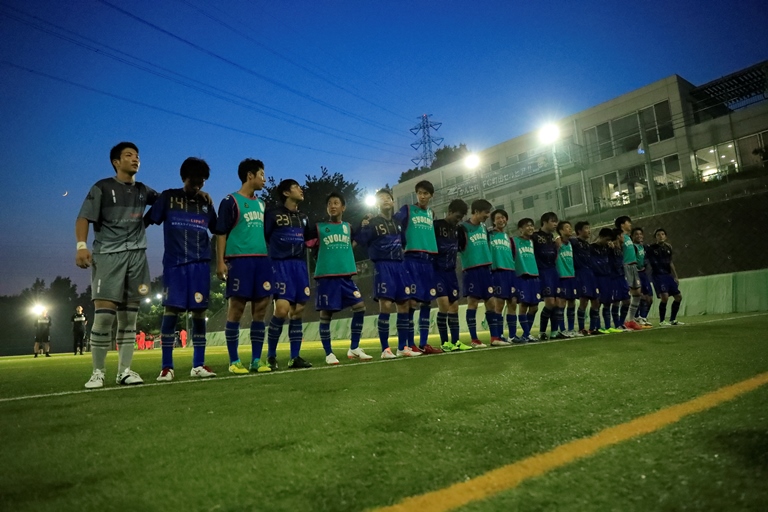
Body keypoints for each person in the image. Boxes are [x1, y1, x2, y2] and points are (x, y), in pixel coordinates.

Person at [77, 142, 159, 388]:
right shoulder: (102, 187)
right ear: (116, 162)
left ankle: (124, 371)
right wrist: (81, 246)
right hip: (108, 255)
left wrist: (195, 191)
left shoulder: (144, 190)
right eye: (129, 155)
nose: (135, 159)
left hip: (137, 257)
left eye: (137, 156)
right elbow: (83, 217)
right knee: (104, 316)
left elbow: (168, 201)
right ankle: (98, 372)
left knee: (129, 319)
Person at [145, 156, 219, 381]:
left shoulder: (205, 203)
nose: (199, 184)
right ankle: (167, 367)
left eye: (203, 180)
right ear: (184, 177)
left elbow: (218, 229)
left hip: (200, 264)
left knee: (199, 312)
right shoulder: (169, 197)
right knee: (171, 311)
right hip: (175, 264)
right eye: (195, 179)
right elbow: (147, 221)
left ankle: (198, 364)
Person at [216, 159, 273, 374]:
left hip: (261, 261)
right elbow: (221, 232)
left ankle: (256, 360)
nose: (264, 179)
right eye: (261, 174)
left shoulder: (262, 204)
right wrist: (221, 262)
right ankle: (234, 361)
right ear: (250, 175)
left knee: (261, 310)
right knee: (237, 309)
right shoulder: (230, 201)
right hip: (239, 261)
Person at [307, 192, 367, 365]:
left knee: (360, 307)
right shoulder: (319, 228)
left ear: (343, 207)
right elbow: (306, 241)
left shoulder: (348, 227)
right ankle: (329, 353)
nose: (332, 206)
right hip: (327, 277)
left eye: (336, 203)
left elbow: (355, 241)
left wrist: (365, 225)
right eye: (329, 204)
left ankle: (354, 347)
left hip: (346, 277)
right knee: (326, 314)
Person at [356, 188, 413, 359]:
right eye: (381, 198)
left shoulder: (397, 223)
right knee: (386, 305)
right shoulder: (372, 223)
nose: (385, 200)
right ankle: (385, 349)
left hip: (399, 265)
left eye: (388, 197)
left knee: (404, 304)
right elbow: (360, 240)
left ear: (393, 202)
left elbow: (403, 242)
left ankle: (402, 347)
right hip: (383, 266)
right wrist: (362, 225)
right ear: (377, 204)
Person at [263, 179, 313, 369]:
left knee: (298, 311)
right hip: (280, 264)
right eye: (296, 187)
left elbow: (308, 238)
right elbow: (265, 236)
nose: (301, 189)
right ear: (286, 193)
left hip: (299, 266)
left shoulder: (304, 217)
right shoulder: (273, 214)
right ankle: (271, 356)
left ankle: (294, 357)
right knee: (282, 310)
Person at [394, 180, 442, 355]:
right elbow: (393, 223)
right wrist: (401, 242)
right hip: (411, 259)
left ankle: (424, 343)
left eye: (425, 193)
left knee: (427, 302)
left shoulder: (431, 213)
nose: (422, 196)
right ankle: (409, 343)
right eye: (420, 193)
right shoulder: (407, 209)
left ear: (431, 195)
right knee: (411, 302)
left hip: (428, 261)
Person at [459, 199, 506, 347]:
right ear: (476, 211)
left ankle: (495, 337)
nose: (488, 215)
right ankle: (474, 339)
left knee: (491, 303)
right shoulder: (463, 228)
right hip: (471, 269)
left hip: (486, 269)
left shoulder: (484, 228)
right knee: (472, 302)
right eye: (486, 212)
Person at [433, 200, 472, 351]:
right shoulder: (436, 226)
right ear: (449, 211)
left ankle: (456, 342)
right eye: (457, 216)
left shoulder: (458, 230)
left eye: (461, 218)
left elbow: (462, 247)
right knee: (443, 305)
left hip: (451, 272)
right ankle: (445, 343)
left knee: (454, 307)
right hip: (437, 271)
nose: (458, 220)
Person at [489, 209, 519, 344]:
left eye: (503, 218)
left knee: (513, 303)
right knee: (499, 304)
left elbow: (513, 255)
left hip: (510, 272)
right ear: (493, 221)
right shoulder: (490, 235)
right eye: (498, 218)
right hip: (498, 271)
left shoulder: (509, 238)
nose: (501, 220)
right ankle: (499, 335)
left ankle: (512, 335)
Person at [647, 228, 684, 325]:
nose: (661, 236)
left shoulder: (668, 248)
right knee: (665, 297)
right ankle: (662, 321)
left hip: (668, 275)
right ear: (655, 237)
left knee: (678, 297)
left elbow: (670, 262)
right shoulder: (651, 248)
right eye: (658, 235)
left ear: (666, 236)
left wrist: (675, 276)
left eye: (662, 234)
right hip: (658, 275)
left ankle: (672, 319)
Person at [572, 222, 602, 336]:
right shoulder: (574, 242)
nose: (589, 230)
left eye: (589, 228)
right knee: (584, 301)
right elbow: (563, 240)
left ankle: (593, 328)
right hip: (581, 273)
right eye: (586, 228)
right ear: (579, 231)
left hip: (591, 274)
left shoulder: (588, 245)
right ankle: (581, 328)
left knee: (596, 301)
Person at [533, 212, 559, 340]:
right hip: (542, 271)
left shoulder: (552, 238)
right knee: (550, 302)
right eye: (553, 221)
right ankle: (542, 331)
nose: (555, 224)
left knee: (556, 303)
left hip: (553, 270)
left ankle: (554, 331)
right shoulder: (535, 237)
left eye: (556, 221)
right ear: (544, 222)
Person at [513, 218, 540, 342]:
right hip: (522, 276)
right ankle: (527, 333)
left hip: (534, 276)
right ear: (520, 229)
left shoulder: (533, 242)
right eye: (527, 226)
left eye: (531, 225)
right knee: (523, 305)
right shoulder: (514, 241)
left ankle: (526, 334)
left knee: (534, 307)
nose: (530, 228)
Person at [614, 216, 643, 330]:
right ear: (622, 225)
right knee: (626, 295)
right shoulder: (619, 237)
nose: (630, 224)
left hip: (633, 266)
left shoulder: (628, 237)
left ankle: (630, 319)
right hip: (626, 267)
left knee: (638, 293)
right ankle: (621, 321)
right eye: (628, 222)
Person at [554, 221, 579, 337]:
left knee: (572, 302)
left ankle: (571, 329)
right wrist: (557, 239)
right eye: (567, 227)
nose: (570, 229)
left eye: (570, 227)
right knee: (561, 303)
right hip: (562, 276)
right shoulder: (557, 243)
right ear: (561, 231)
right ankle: (562, 329)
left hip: (571, 275)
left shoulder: (571, 243)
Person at [632, 227, 654, 328]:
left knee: (650, 298)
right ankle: (637, 317)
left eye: (640, 234)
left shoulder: (643, 247)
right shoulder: (632, 247)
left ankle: (643, 317)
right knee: (641, 297)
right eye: (636, 234)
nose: (639, 236)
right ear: (632, 236)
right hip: (636, 273)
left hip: (643, 273)